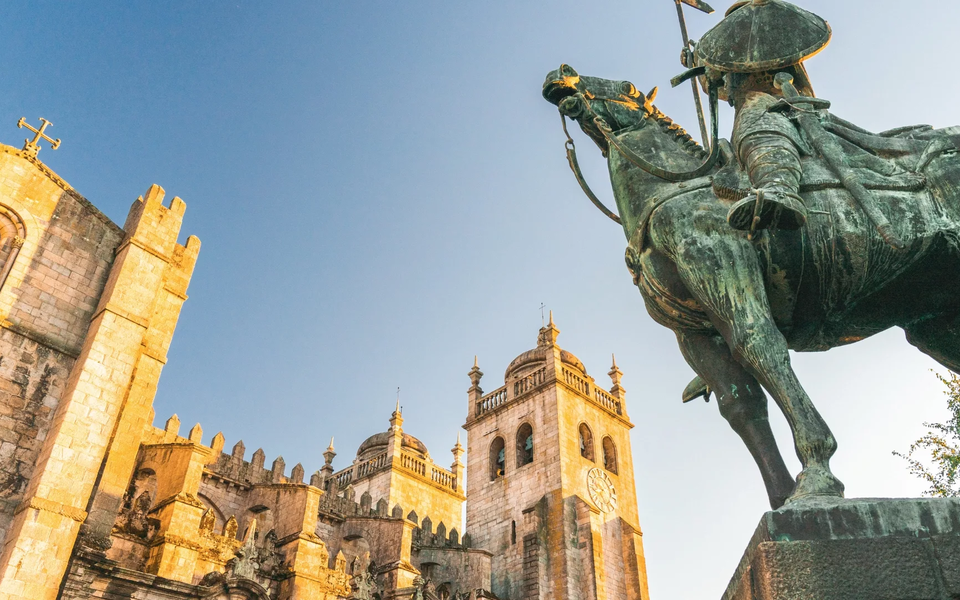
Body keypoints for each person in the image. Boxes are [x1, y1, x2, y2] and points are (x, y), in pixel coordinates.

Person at [694, 0, 832, 232]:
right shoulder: (729, 50)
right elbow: (717, 86)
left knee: (758, 119)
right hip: (747, 103)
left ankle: (780, 188)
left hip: (776, 98)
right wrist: (698, 60)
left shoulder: (770, 33)